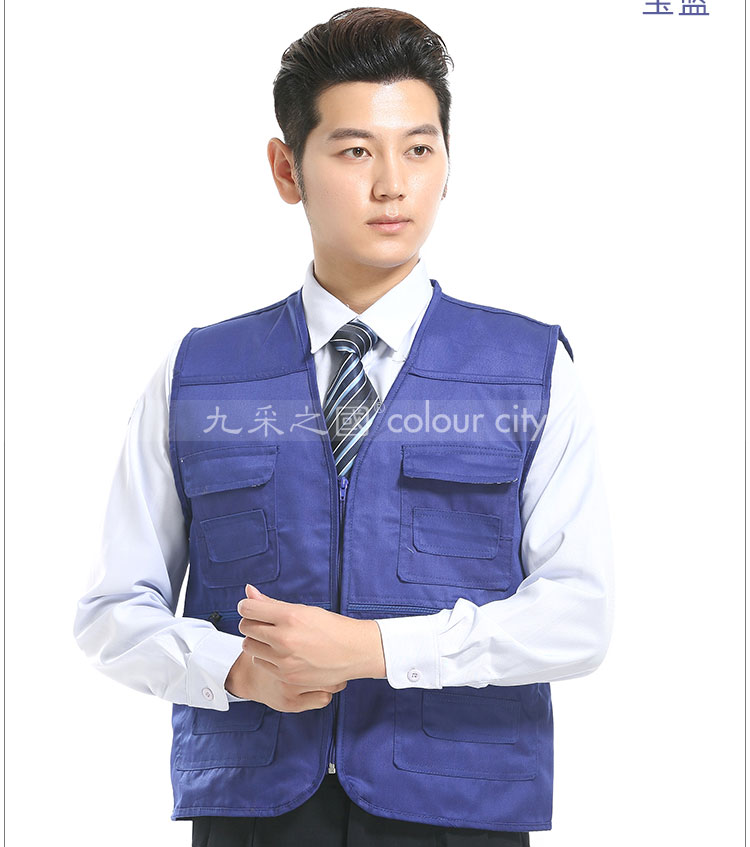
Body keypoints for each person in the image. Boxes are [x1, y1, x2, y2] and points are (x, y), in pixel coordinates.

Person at [73, 7, 614, 846]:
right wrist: (235, 669)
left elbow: (578, 616)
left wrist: (377, 650)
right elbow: (112, 609)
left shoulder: (532, 369)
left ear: (448, 163)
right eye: (356, 150)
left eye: (420, 149)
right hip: (254, 814)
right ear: (286, 168)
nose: (393, 184)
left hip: (459, 813)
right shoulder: (197, 373)